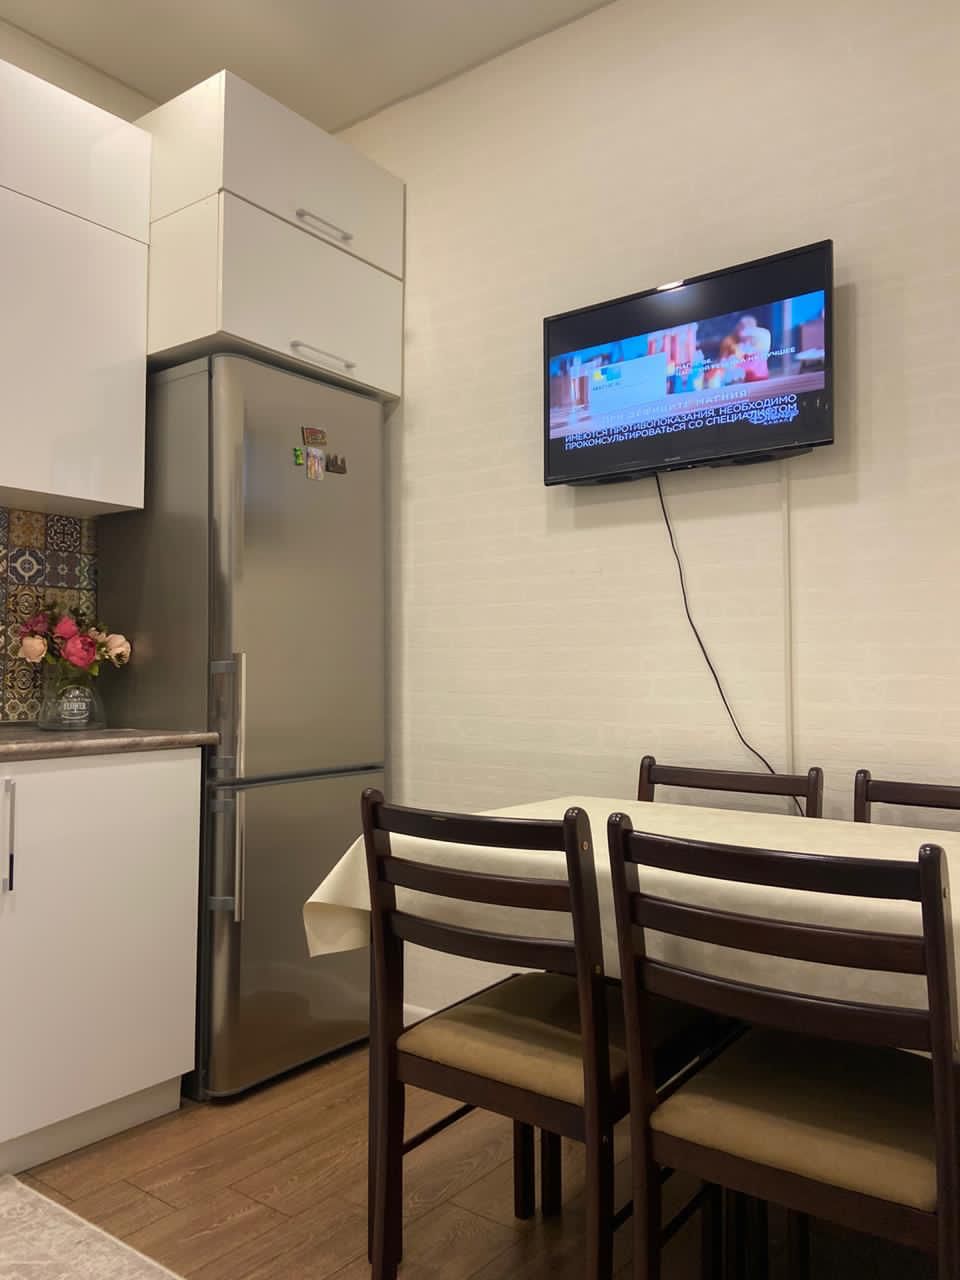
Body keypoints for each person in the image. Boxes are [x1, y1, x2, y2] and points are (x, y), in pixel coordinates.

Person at [733, 314, 771, 381]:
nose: (739, 330)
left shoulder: (762, 337)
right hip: (749, 379)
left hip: (760, 377)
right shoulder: (740, 346)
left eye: (742, 327)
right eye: (740, 328)